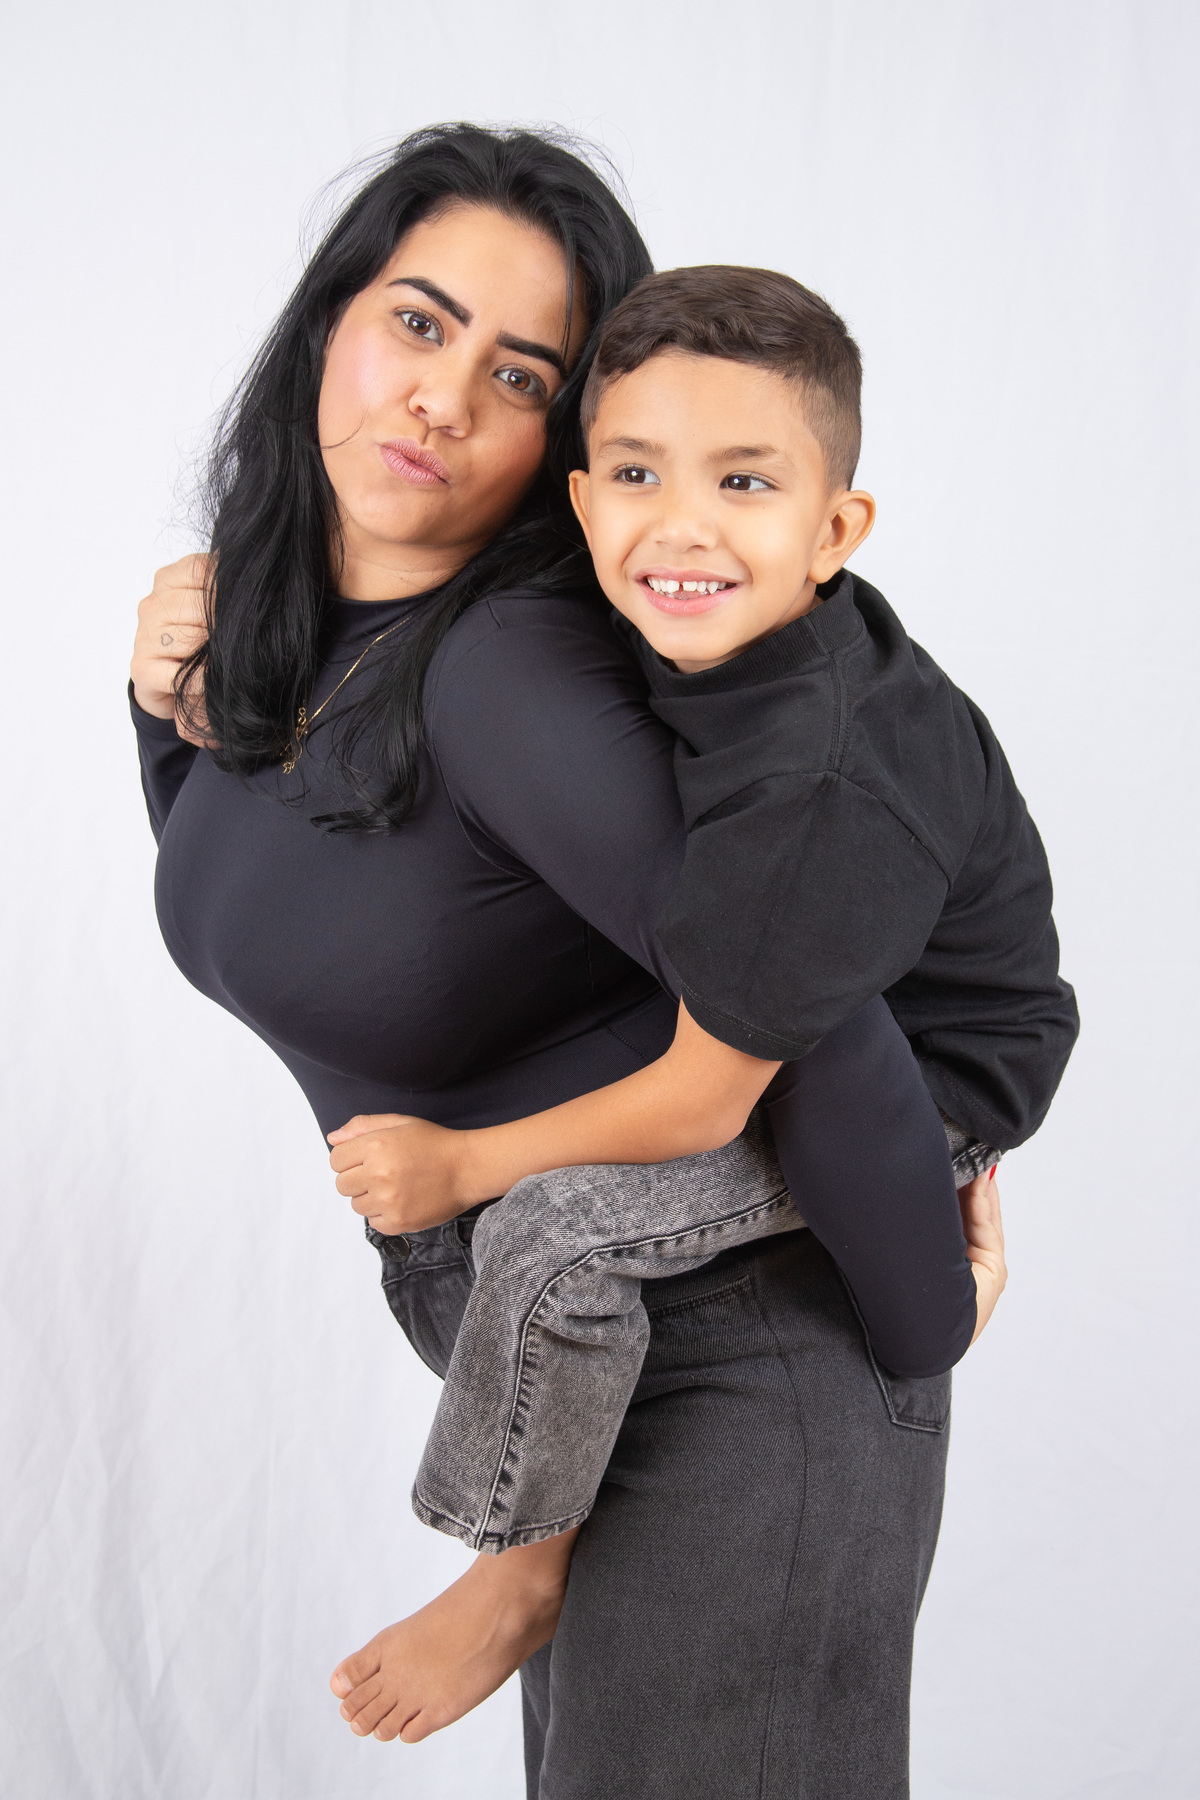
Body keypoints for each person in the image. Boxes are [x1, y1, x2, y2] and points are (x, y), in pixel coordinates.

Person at [130, 123, 1016, 1793]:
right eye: (418, 322)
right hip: (582, 1382)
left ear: (564, 444)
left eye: (520, 374)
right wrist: (163, 709)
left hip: (735, 1366)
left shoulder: (507, 676)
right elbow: (269, 899)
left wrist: (926, 1304)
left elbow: (797, 994)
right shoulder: (320, 640)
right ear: (329, 322)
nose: (442, 399)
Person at [320, 267, 1077, 1720]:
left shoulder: (820, 793)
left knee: (550, 1228)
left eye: (744, 481)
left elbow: (708, 1099)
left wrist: (460, 1163)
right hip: (800, 1016)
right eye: (636, 474)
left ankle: (513, 1570)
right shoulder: (688, 614)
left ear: (835, 530)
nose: (681, 526)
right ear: (580, 498)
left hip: (921, 1084)